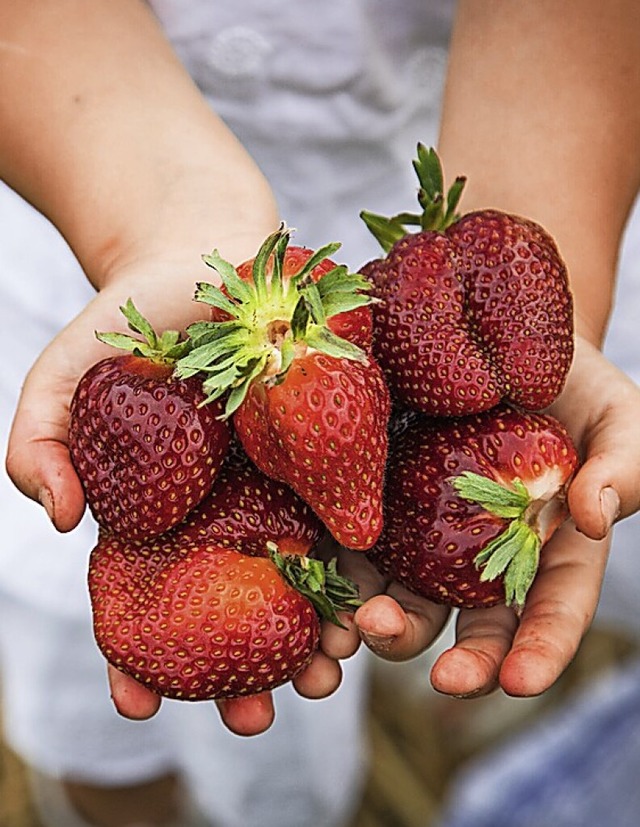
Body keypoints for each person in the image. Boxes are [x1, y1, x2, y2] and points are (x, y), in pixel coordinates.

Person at [1, 1, 640, 826]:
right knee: (108, 747)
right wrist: (155, 226)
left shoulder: (444, 310)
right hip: (92, 174)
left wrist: (554, 277)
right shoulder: (184, 385)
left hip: (512, 150)